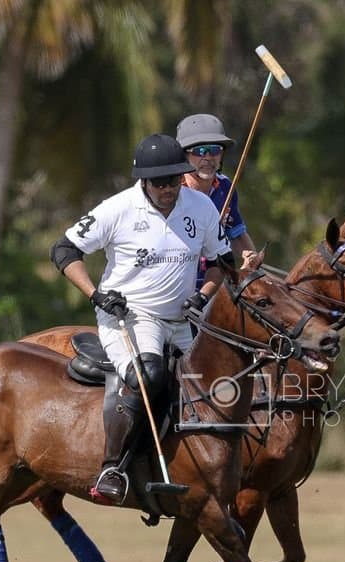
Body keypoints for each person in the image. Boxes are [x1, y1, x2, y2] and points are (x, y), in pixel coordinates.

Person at [50, 133, 237, 504]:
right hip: (131, 316)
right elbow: (64, 249)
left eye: (174, 180)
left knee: (217, 380)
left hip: (183, 319)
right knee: (148, 375)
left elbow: (221, 264)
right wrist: (96, 294)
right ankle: (112, 468)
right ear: (144, 181)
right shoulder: (117, 209)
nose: (169, 189)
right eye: (161, 182)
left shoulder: (200, 207)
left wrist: (201, 297)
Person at [176, 113, 262, 302]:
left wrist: (252, 260)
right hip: (177, 289)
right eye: (199, 151)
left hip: (214, 285)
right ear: (184, 155)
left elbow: (237, 233)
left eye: (214, 150)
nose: (207, 157)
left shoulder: (225, 188)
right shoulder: (171, 192)